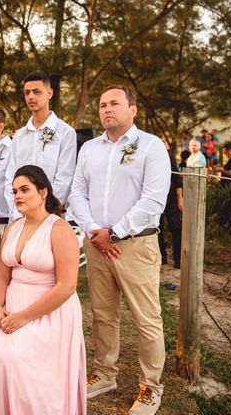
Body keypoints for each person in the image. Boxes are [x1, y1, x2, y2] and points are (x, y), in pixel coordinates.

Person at [0, 165, 86, 414]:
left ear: (43, 192)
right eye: (14, 191)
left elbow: (67, 286)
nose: (18, 196)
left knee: (10, 358)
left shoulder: (60, 230)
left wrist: (23, 317)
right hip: (11, 302)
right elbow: (1, 274)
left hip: (48, 309)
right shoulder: (13, 228)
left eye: (25, 189)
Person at [69, 85, 170, 415]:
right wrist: (93, 231)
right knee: (102, 315)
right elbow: (77, 194)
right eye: (102, 105)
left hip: (135, 245)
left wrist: (116, 232)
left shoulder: (151, 147)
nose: (106, 109)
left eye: (114, 103)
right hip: (96, 244)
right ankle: (105, 374)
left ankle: (151, 387)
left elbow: (153, 199)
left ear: (133, 109)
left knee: (146, 318)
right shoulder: (90, 150)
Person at [4, 71, 77, 219]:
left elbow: (64, 178)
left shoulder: (65, 132)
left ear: (49, 93)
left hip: (50, 214)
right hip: (20, 216)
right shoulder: (19, 135)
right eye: (27, 93)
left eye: (37, 92)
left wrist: (44, 211)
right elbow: (10, 176)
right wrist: (17, 212)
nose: (31, 96)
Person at [159, 152, 183, 268]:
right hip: (155, 197)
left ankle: (178, 258)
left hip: (171, 197)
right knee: (157, 229)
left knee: (176, 228)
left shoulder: (168, 155)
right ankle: (161, 257)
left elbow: (177, 178)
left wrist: (180, 198)